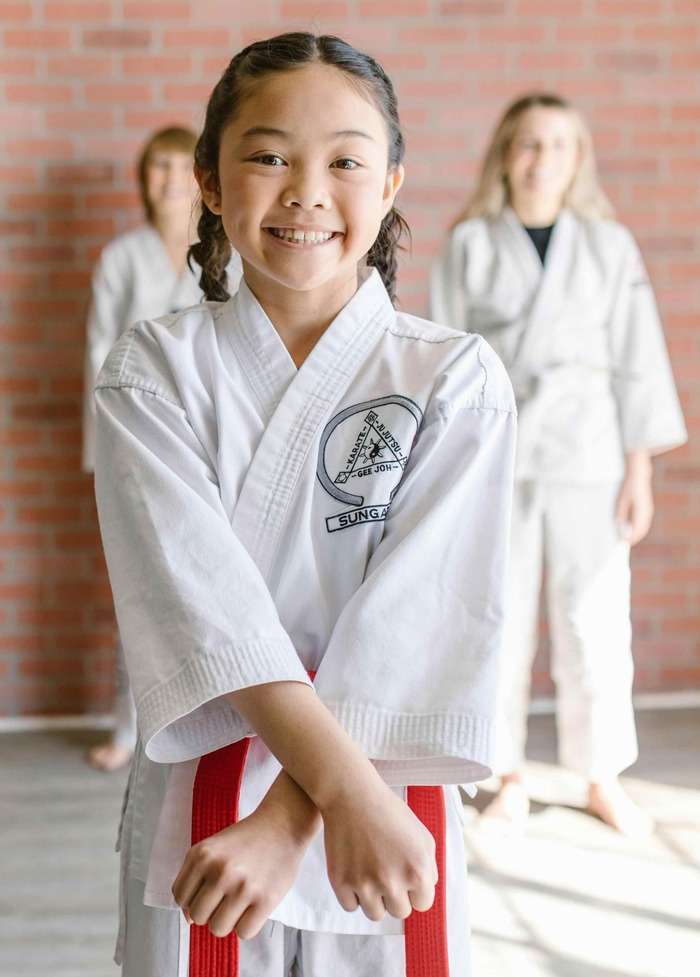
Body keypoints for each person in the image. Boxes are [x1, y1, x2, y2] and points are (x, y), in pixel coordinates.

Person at [93, 32, 516, 977]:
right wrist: (338, 795)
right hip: (210, 803)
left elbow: (426, 617)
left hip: (386, 793)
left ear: (393, 185)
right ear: (209, 179)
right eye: (268, 154)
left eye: (346, 161)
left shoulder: (452, 376)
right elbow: (205, 607)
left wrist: (298, 815)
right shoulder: (150, 373)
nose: (306, 190)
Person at [431, 93, 687, 837]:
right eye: (528, 144)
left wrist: (638, 471)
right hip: (498, 456)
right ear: (505, 153)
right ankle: (505, 770)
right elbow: (446, 364)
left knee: (596, 617)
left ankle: (600, 772)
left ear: (579, 159)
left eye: (558, 145)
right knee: (497, 617)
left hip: (591, 454)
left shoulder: (609, 246)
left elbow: (637, 361)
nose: (542, 159)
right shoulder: (470, 244)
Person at [83, 125, 242, 771]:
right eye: (157, 167)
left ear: (204, 178)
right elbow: (98, 352)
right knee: (141, 586)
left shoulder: (226, 255)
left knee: (215, 584)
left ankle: (218, 719)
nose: (170, 179)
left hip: (215, 441)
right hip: (137, 437)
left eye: (182, 166)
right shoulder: (123, 257)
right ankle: (131, 725)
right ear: (142, 179)